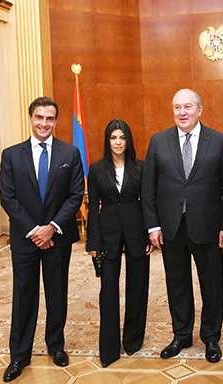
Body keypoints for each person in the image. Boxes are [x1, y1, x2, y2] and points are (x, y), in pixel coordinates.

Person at [141, 88, 223, 363]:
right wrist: (152, 226)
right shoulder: (158, 141)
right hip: (170, 227)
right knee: (177, 282)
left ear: (199, 110)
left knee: (211, 283)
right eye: (177, 108)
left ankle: (210, 337)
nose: (182, 113)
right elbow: (149, 188)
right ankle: (182, 334)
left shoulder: (219, 141)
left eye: (187, 107)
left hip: (207, 226)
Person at [0, 97, 84, 382]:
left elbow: (75, 195)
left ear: (56, 121)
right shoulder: (11, 155)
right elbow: (8, 197)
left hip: (58, 237)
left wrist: (52, 227)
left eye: (49, 118)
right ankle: (19, 356)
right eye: (39, 117)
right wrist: (35, 230)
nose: (44, 123)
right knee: (24, 296)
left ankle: (56, 347)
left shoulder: (70, 153)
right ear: (30, 118)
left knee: (57, 293)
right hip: (26, 239)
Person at [86, 119, 153, 367]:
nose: (118, 142)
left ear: (128, 140)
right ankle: (109, 348)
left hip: (137, 233)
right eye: (113, 138)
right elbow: (93, 206)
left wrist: (149, 234)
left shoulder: (140, 167)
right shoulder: (96, 169)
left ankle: (133, 341)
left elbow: (147, 202)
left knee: (137, 288)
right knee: (108, 291)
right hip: (107, 235)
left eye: (122, 137)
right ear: (107, 140)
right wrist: (92, 241)